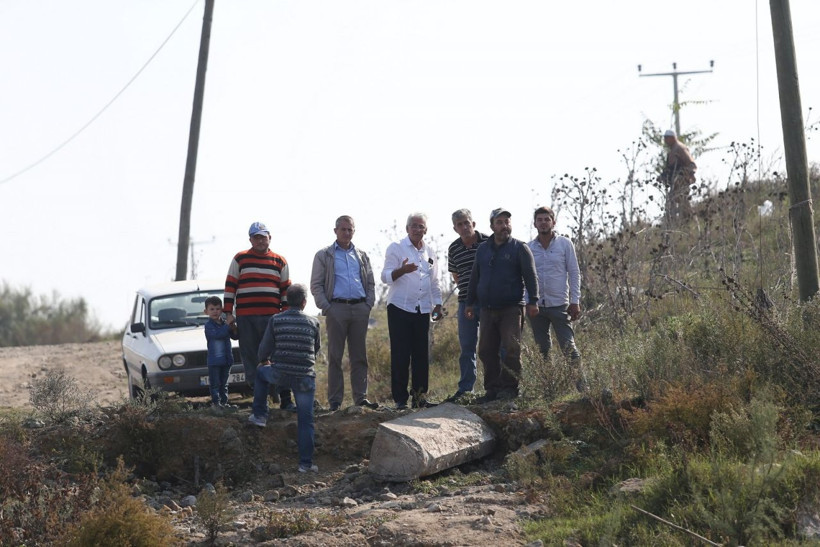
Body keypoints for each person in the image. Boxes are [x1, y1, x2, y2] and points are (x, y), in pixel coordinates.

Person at [465, 208, 539, 402]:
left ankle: (510, 389)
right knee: (486, 350)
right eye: (500, 222)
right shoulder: (483, 249)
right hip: (487, 309)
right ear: (492, 226)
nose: (504, 226)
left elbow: (530, 276)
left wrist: (534, 301)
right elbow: (475, 276)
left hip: (511, 308)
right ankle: (492, 390)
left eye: (507, 221)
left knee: (512, 348)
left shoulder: (519, 248)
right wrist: (470, 302)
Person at [248, 284, 321, 473]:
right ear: (304, 302)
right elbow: (316, 350)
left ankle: (260, 415)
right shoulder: (313, 322)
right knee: (306, 421)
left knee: (261, 373)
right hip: (305, 377)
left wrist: (263, 361)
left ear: (287, 301)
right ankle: (305, 464)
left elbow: (264, 349)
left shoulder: (276, 320)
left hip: (280, 374)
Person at [310, 215, 378, 411]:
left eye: (350, 229)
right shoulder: (324, 255)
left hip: (360, 308)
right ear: (335, 231)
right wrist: (327, 307)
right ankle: (335, 401)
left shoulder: (362, 255)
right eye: (343, 229)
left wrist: (368, 304)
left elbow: (371, 282)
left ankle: (361, 398)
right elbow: (316, 285)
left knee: (359, 356)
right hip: (336, 308)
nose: (347, 233)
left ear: (354, 231)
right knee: (335, 356)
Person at [224, 221, 294, 410]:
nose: (260, 240)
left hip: (272, 317)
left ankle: (283, 397)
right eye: (257, 237)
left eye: (263, 237)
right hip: (246, 317)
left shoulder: (280, 261)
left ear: (270, 238)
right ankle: (259, 398)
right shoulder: (240, 259)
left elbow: (286, 291)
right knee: (251, 357)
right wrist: (228, 314)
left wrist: (286, 315)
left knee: (276, 356)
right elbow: (230, 286)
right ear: (251, 240)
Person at [380, 213, 443, 410]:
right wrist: (402, 270)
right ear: (407, 229)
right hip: (400, 307)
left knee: (421, 354)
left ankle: (419, 397)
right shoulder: (396, 248)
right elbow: (385, 276)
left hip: (422, 309)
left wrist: (438, 304)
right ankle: (400, 399)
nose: (417, 229)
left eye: (420, 226)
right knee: (400, 353)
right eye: (413, 226)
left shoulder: (430, 252)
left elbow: (435, 281)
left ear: (426, 230)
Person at [527, 207, 583, 385]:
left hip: (560, 305)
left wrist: (575, 301)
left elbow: (574, 273)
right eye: (540, 220)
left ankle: (583, 387)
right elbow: (525, 277)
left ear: (553, 222)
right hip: (536, 307)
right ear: (535, 223)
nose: (543, 223)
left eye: (546, 219)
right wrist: (527, 302)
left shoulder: (565, 244)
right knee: (542, 349)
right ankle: (549, 388)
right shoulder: (529, 248)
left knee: (568, 347)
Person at [445, 208, 488, 402]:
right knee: (467, 346)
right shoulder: (454, 248)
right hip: (465, 303)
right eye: (459, 224)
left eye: (466, 223)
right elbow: (456, 276)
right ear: (455, 228)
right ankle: (465, 389)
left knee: (491, 347)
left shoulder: (488, 242)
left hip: (489, 302)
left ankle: (494, 388)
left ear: (473, 223)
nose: (464, 227)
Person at [203, 295, 238, 408]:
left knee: (224, 383)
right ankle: (216, 403)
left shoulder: (224, 323)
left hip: (227, 359)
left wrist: (233, 327)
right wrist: (227, 325)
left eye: (218, 309)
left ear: (222, 310)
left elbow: (235, 336)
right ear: (206, 311)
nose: (215, 312)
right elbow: (217, 335)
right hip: (214, 361)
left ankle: (224, 403)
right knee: (215, 384)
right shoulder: (208, 326)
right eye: (212, 309)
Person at [660, 129, 697, 220]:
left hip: (681, 180)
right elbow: (670, 169)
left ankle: (690, 220)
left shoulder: (680, 148)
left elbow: (691, 164)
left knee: (682, 200)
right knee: (674, 200)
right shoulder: (671, 151)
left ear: (672, 138)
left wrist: (687, 175)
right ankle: (679, 222)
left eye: (666, 138)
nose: (665, 141)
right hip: (674, 181)